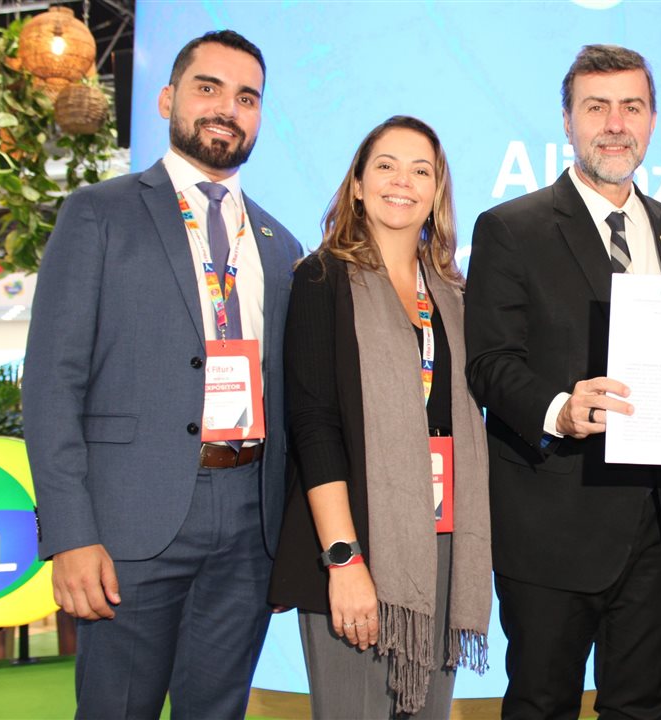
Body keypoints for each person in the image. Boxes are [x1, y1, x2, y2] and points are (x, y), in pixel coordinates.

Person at [22, 30, 302, 718]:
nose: (226, 109)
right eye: (208, 88)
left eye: (246, 97)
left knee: (216, 710)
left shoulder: (280, 243)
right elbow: (52, 383)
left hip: (249, 524)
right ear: (167, 97)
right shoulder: (99, 213)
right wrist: (69, 533)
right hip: (127, 527)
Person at [465, 44, 661, 719]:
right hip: (551, 526)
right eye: (596, 107)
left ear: (653, 120)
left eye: (632, 106)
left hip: (658, 527)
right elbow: (490, 362)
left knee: (643, 708)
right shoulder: (512, 228)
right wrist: (561, 409)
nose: (615, 123)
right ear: (567, 121)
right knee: (542, 705)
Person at [267, 116, 491, 718]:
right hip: (354, 544)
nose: (403, 181)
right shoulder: (321, 278)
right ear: (359, 184)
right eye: (386, 165)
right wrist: (344, 560)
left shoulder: (454, 293)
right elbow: (313, 427)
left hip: (440, 546)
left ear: (437, 191)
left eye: (422, 170)